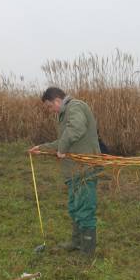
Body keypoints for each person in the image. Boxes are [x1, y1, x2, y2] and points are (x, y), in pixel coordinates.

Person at [29, 87, 101, 257]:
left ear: (57, 101)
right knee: (75, 207)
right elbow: (64, 140)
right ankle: (76, 242)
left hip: (84, 169)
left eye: (49, 106)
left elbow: (76, 129)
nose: (50, 110)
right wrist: (43, 148)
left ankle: (87, 253)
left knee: (85, 209)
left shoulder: (75, 107)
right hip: (73, 171)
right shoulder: (64, 113)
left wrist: (61, 148)